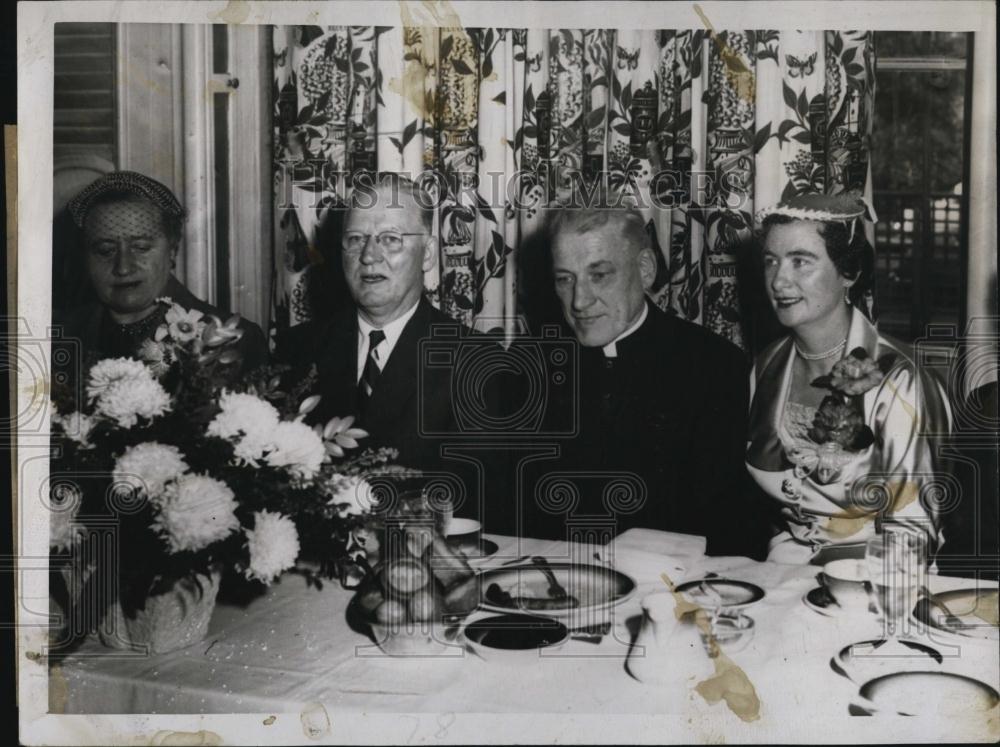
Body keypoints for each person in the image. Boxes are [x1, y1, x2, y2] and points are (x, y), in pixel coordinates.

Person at [519, 204, 772, 558]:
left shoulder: (713, 365)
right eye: (565, 279)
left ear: (645, 269)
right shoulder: (527, 368)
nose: (579, 301)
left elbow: (730, 525)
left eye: (599, 275)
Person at [278, 174, 496, 524]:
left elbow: (477, 507)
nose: (369, 255)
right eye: (355, 239)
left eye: (391, 239)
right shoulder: (295, 351)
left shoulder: (477, 363)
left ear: (426, 254)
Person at [748, 193, 953, 563]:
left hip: (876, 577)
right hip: (782, 573)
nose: (779, 280)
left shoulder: (901, 380)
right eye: (771, 262)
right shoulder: (766, 366)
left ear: (849, 272)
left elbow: (912, 534)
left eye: (800, 262)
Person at [55, 171, 267, 394]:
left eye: (141, 247)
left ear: (172, 250)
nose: (124, 267)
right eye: (105, 251)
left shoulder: (234, 340)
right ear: (85, 258)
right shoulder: (57, 336)